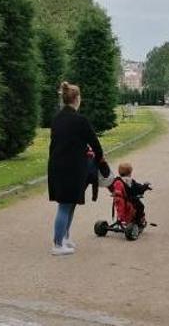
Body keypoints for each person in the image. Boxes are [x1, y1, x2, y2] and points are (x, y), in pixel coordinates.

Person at [47, 81, 106, 256]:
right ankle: (57, 244)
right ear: (76, 99)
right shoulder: (80, 120)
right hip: (71, 167)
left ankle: (64, 237)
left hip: (57, 165)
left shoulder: (57, 118)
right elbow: (94, 142)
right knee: (65, 205)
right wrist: (101, 160)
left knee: (70, 203)